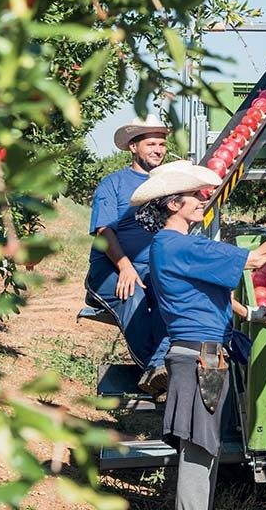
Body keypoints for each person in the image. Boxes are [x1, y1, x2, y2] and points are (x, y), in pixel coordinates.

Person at [132, 160, 266, 510]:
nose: (203, 200)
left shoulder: (166, 247)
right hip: (202, 357)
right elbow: (257, 259)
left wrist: (249, 313)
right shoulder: (182, 246)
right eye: (195, 196)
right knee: (199, 451)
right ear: (173, 204)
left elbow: (205, 295)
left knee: (205, 447)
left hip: (200, 353)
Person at [86, 115, 173, 395]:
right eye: (151, 144)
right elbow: (104, 231)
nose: (158, 149)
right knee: (132, 294)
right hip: (112, 268)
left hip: (151, 268)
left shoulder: (168, 186)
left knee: (169, 292)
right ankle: (154, 368)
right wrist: (124, 266)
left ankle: (165, 367)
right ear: (133, 147)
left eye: (161, 144)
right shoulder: (113, 184)